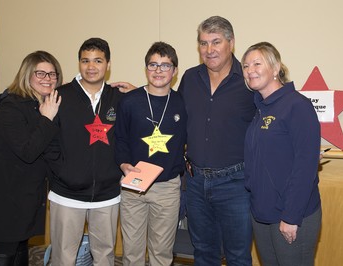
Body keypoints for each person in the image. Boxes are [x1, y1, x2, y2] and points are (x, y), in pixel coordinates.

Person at [176, 16, 256, 266]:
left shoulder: (249, 80)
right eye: (203, 43)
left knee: (237, 256)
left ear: (231, 43)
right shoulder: (190, 78)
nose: (209, 50)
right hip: (196, 183)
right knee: (203, 253)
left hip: (236, 184)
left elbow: (275, 118)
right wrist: (142, 96)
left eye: (216, 42)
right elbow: (172, 115)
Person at [0, 50, 63, 265]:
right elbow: (28, 151)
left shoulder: (39, 104)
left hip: (27, 190)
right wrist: (47, 118)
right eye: (41, 73)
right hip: (6, 191)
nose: (48, 79)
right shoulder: (11, 107)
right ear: (27, 75)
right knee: (5, 250)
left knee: (20, 244)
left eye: (52, 74)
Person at [47, 37, 127, 265]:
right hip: (67, 194)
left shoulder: (119, 98)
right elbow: (48, 141)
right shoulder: (59, 96)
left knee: (105, 256)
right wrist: (64, 172)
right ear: (79, 63)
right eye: (85, 60)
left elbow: (126, 138)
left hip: (107, 195)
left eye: (98, 60)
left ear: (108, 65)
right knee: (63, 257)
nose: (91, 67)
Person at [242, 42, 322, 266]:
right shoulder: (259, 109)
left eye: (257, 63)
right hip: (263, 214)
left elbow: (305, 166)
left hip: (292, 216)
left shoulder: (297, 105)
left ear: (276, 68)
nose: (250, 70)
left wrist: (290, 216)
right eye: (246, 66)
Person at [114, 41, 187, 266]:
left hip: (167, 188)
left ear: (174, 71)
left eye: (165, 66)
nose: (158, 70)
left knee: (161, 254)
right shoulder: (129, 101)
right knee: (132, 253)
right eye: (153, 65)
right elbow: (120, 138)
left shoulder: (181, 103)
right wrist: (124, 164)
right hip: (133, 186)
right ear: (146, 68)